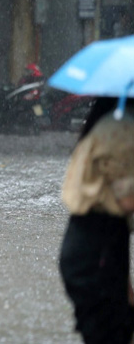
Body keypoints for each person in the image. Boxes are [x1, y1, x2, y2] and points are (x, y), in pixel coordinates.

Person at [59, 96, 134, 344]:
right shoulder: (122, 130)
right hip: (97, 251)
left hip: (87, 248)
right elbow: (127, 202)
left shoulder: (106, 123)